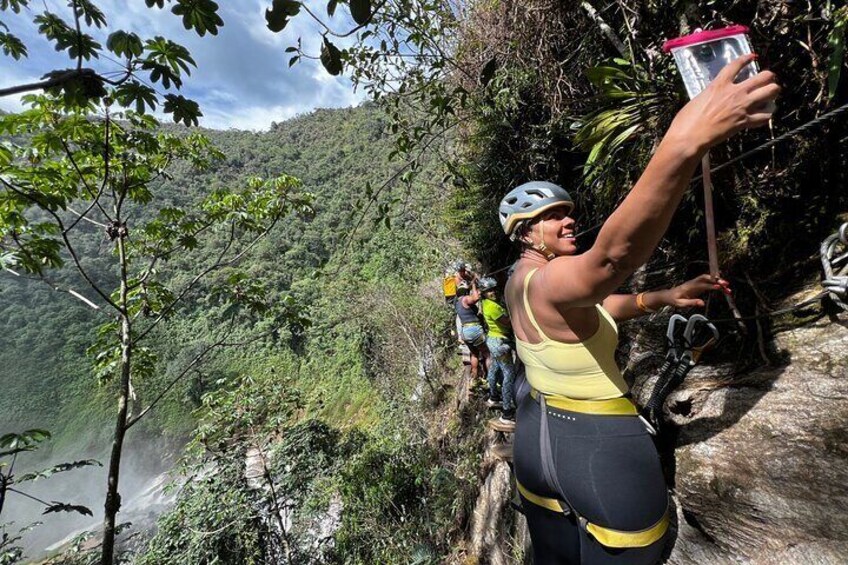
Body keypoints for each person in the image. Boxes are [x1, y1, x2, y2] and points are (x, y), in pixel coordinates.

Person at [499, 54, 778, 564]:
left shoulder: (523, 282)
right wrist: (686, 141)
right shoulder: (554, 278)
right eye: (550, 217)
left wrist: (659, 297)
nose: (566, 222)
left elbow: (594, 307)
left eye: (567, 212)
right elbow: (610, 259)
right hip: (601, 450)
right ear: (525, 232)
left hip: (538, 443)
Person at [478, 276, 518, 423]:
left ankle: (494, 396)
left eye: (493, 289)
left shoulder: (486, 303)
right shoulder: (492, 307)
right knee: (509, 374)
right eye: (489, 291)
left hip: (493, 340)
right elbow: (507, 322)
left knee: (494, 368)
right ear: (484, 292)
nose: (492, 292)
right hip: (500, 341)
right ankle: (507, 411)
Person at [455, 280, 489, 381]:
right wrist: (473, 285)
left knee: (474, 354)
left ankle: (475, 378)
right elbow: (476, 298)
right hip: (474, 329)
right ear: (466, 292)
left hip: (465, 331)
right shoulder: (465, 299)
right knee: (487, 353)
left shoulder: (457, 303)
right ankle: (493, 378)